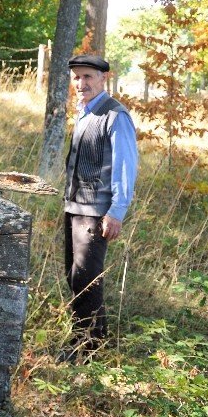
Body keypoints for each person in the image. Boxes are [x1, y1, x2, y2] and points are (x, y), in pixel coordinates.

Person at [62, 54, 138, 356]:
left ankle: (89, 349)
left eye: (88, 77)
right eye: (76, 77)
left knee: (86, 279)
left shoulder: (115, 116)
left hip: (96, 212)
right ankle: (87, 340)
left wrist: (116, 212)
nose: (81, 83)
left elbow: (124, 166)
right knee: (74, 275)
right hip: (74, 207)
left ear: (102, 79)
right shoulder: (84, 114)